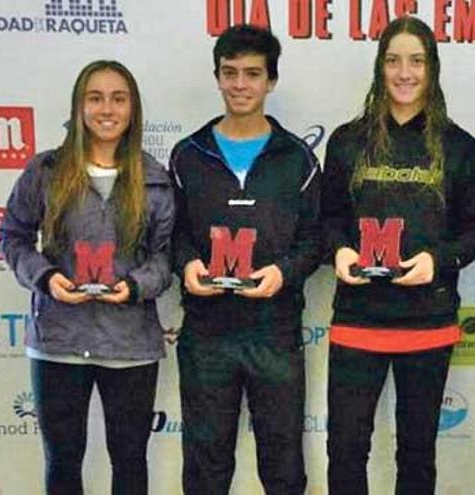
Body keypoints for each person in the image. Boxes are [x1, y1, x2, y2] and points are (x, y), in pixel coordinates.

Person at [321, 16, 475, 495]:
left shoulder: (459, 147)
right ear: (380, 67)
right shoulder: (346, 141)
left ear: (432, 69)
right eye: (393, 60)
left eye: (416, 61)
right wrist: (337, 251)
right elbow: (326, 221)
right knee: (346, 449)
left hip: (427, 322)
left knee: (417, 453)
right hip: (357, 319)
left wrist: (436, 262)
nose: (404, 72)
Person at [0, 60, 175, 495]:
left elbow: (165, 257)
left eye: (118, 98)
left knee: (130, 461)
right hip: (59, 341)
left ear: (133, 108)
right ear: (78, 106)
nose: (106, 109)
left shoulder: (155, 179)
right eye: (95, 98)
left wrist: (135, 286)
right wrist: (45, 278)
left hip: (130, 344)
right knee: (62, 460)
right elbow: (12, 237)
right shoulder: (45, 171)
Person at [169, 24, 320, 495]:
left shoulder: (297, 158)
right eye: (230, 73)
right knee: (205, 465)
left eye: (252, 74)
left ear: (270, 81)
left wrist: (283, 272)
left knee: (283, 466)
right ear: (217, 77)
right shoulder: (187, 155)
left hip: (273, 331)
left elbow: (316, 240)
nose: (240, 84)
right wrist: (188, 265)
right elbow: (171, 234)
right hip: (206, 332)